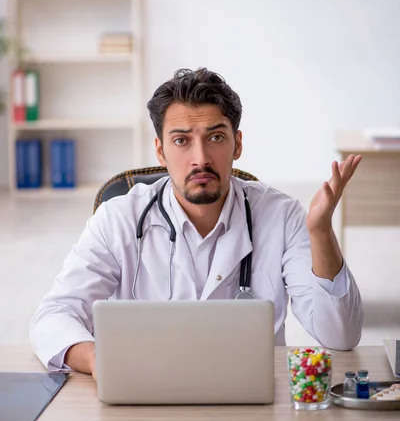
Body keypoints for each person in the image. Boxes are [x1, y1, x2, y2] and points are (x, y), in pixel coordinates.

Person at [30, 68, 363, 377]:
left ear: (238, 144)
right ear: (160, 151)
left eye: (216, 138)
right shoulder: (118, 219)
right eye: (181, 140)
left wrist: (320, 232)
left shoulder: (283, 216)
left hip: (252, 405)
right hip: (144, 394)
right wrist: (98, 360)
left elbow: (341, 336)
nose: (201, 157)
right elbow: (54, 315)